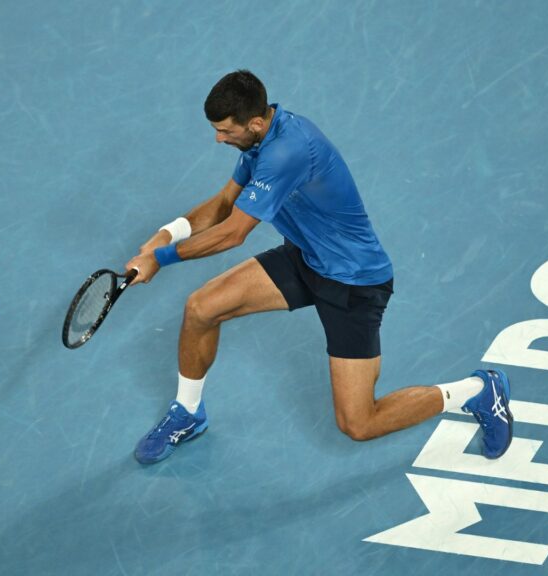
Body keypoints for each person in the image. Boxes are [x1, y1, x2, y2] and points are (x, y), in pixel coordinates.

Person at [125, 70, 512, 465]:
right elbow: (225, 202)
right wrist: (166, 233)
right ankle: (188, 413)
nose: (218, 139)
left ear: (255, 123)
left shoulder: (287, 151)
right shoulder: (259, 140)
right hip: (306, 259)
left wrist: (160, 259)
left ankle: (476, 391)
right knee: (200, 308)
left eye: (225, 131)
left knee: (359, 423)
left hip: (355, 283)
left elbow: (232, 233)